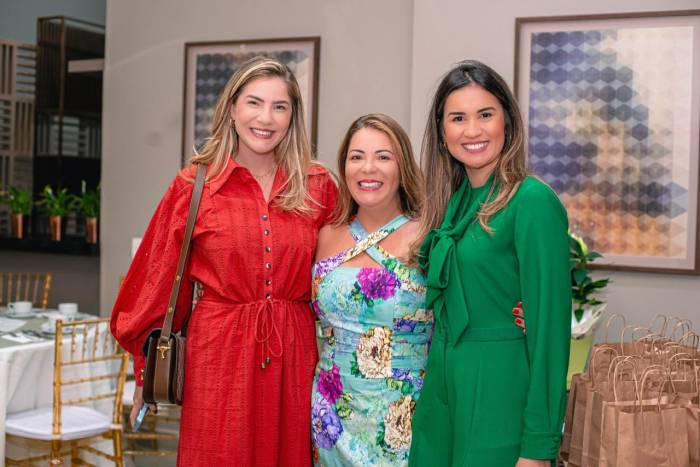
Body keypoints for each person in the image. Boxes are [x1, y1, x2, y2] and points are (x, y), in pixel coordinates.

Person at [110, 56, 337, 466]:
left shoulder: (317, 185)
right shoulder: (194, 185)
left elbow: (345, 269)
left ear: (292, 117)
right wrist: (146, 370)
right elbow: (155, 278)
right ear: (232, 109)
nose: (265, 118)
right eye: (254, 103)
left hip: (295, 355)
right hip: (218, 357)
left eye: (279, 106)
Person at [408, 60, 571, 467]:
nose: (472, 130)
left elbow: (550, 333)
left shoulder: (532, 202)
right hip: (443, 391)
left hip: (499, 389)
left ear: (507, 122)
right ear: (442, 132)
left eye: (485, 114)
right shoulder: (453, 202)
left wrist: (538, 447)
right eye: (458, 118)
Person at [310, 114, 431, 466]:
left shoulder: (428, 234)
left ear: (402, 167)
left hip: (404, 416)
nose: (368, 168)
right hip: (330, 415)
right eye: (357, 157)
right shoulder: (325, 236)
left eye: (383, 156)